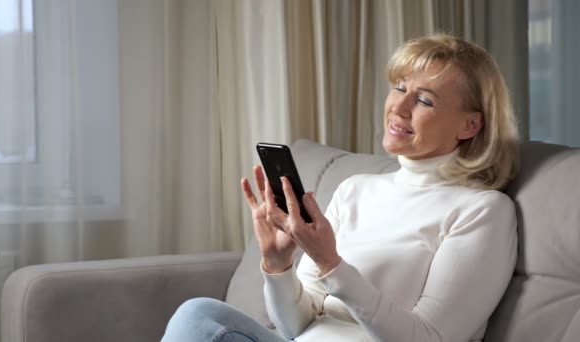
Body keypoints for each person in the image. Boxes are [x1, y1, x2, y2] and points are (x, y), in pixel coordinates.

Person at [162, 33, 520, 341]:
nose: (400, 106)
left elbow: (430, 338)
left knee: (197, 318)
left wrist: (330, 262)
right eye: (399, 88)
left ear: (470, 125)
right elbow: (294, 326)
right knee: (202, 314)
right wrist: (278, 263)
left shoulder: (482, 210)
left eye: (425, 100)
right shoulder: (356, 190)